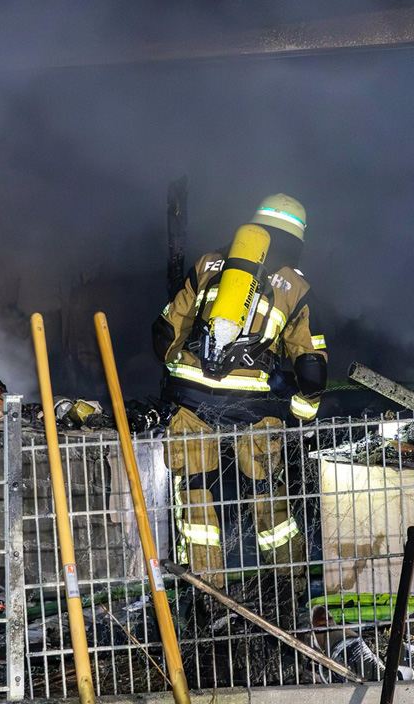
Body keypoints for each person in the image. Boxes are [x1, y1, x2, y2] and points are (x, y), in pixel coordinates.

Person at [152, 193, 327, 590]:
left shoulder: (209, 263)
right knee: (269, 499)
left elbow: (165, 333)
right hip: (252, 407)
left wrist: (182, 369)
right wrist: (304, 411)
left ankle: (204, 595)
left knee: (197, 501)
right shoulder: (295, 285)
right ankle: (291, 587)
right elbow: (311, 366)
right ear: (297, 237)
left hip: (191, 402)